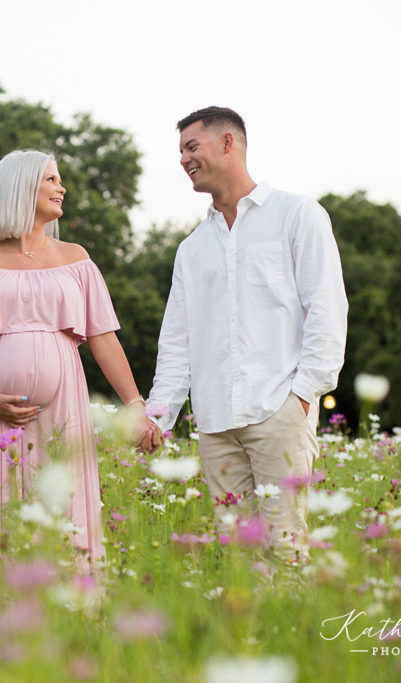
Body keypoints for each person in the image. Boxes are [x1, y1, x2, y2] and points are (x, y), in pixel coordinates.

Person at [0, 149, 161, 565]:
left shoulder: (76, 259)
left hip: (63, 408)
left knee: (63, 503)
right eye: (52, 179)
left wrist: (135, 406)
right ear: (20, 186)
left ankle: (70, 594)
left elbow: (104, 339)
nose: (63, 188)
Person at [145, 107, 348, 567]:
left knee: (286, 547)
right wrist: (159, 416)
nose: (183, 159)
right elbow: (177, 341)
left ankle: (292, 617)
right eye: (180, 151)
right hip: (215, 422)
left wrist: (303, 394)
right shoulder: (192, 249)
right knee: (239, 556)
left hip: (279, 409)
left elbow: (326, 308)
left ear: (228, 142)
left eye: (191, 147)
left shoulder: (297, 214)